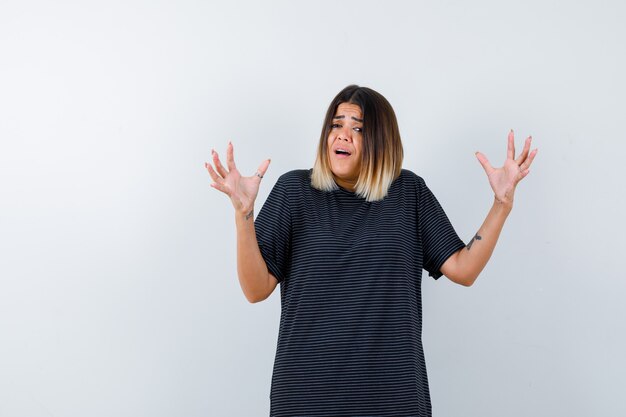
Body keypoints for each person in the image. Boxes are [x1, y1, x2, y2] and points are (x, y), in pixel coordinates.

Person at [205, 85, 537, 417]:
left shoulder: (409, 193)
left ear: (381, 140)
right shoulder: (294, 192)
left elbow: (464, 270)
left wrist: (501, 205)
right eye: (336, 125)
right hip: (306, 397)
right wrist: (243, 214)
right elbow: (255, 289)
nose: (342, 136)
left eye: (358, 128)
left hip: (394, 397)